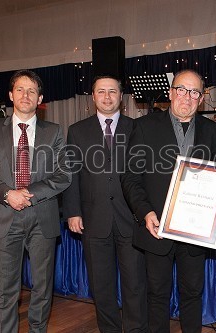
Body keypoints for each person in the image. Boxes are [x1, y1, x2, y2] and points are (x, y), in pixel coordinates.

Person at [121, 69, 216, 333]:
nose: (187, 96)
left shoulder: (214, 131)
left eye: (194, 92)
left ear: (201, 99)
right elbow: (131, 178)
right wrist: (146, 213)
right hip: (157, 228)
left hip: (194, 231)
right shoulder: (143, 127)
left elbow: (214, 176)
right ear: (171, 92)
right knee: (157, 295)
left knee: (192, 294)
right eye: (182, 90)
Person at [0, 70, 71, 332]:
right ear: (10, 95)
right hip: (4, 217)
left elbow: (64, 174)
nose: (25, 95)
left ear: (40, 98)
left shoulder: (53, 132)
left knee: (42, 288)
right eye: (20, 89)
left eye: (31, 90)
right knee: (5, 290)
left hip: (42, 217)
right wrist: (9, 194)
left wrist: (29, 194)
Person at [63, 75, 148, 332]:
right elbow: (71, 174)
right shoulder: (77, 131)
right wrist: (73, 212)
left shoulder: (138, 128)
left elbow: (146, 174)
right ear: (93, 96)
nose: (107, 96)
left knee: (135, 285)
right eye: (102, 91)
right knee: (101, 287)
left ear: (122, 97)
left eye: (113, 91)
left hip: (131, 220)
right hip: (93, 219)